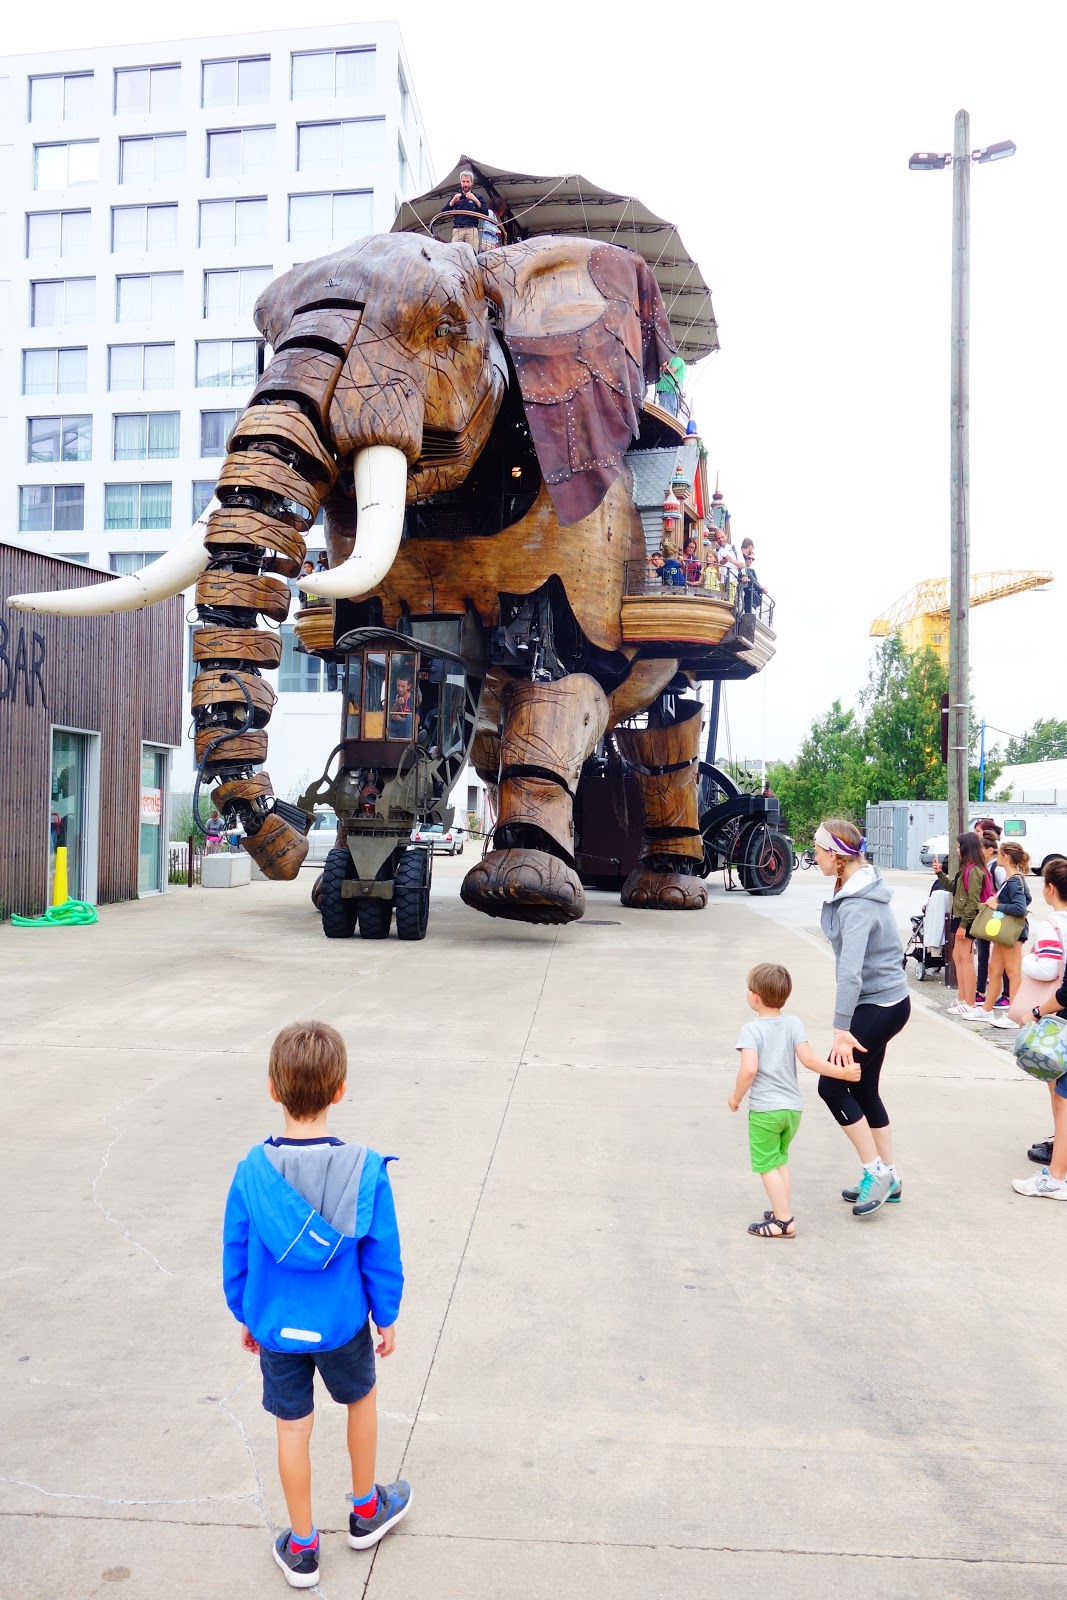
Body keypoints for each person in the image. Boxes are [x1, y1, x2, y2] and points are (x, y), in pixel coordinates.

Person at [222, 1021, 411, 1587]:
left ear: (273, 1090)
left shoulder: (251, 1173)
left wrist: (247, 1315)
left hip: (279, 1327)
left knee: (291, 1430)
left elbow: (237, 1254)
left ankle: (302, 1546)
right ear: (340, 1089)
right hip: (344, 1323)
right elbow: (381, 1254)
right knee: (361, 1402)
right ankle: (365, 1509)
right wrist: (387, 1314)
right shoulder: (364, 1169)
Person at [813, 819, 911, 1216]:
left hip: (880, 1005)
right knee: (865, 1089)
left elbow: (851, 972)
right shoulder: (855, 884)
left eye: (818, 849)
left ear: (837, 857)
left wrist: (840, 1030)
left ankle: (877, 1173)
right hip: (885, 1001)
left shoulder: (857, 904)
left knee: (831, 1087)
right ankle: (891, 1175)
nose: (813, 855)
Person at [729, 962, 861, 1238]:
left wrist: (735, 1096)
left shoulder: (751, 1031)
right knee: (780, 1161)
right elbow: (811, 1061)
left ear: (754, 996)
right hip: (792, 1110)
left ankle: (783, 1222)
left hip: (766, 1111)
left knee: (766, 1165)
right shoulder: (793, 1023)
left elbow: (749, 1070)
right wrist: (844, 1073)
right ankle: (781, 1210)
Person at [1017, 857, 1067, 1171]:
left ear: (1049, 889)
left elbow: (1048, 967)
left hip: (1056, 1014)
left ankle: (1058, 1150)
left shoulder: (1053, 923)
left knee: (1058, 1091)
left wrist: (1024, 962)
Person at [932, 832, 993, 1017]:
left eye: (959, 847)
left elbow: (973, 901)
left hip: (966, 919)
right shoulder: (967, 868)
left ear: (966, 848)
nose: (957, 850)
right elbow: (954, 887)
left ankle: (970, 1002)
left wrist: (963, 925)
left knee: (965, 959)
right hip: (961, 917)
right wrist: (939, 873)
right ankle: (963, 998)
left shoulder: (974, 870)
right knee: (957, 956)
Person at [976, 841, 1031, 1029]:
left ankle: (1014, 1015)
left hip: (1012, 933)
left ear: (1005, 857)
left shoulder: (1014, 881)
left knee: (1013, 972)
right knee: (995, 970)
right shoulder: (1015, 879)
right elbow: (1027, 899)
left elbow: (1020, 907)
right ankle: (986, 1009)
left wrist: (996, 906)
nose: (997, 856)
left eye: (999, 854)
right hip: (1005, 933)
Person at [975, 828, 1008, 1006]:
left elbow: (1005, 890)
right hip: (988, 915)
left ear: (989, 850)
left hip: (996, 916)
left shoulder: (996, 868)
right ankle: (980, 991)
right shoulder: (986, 867)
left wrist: (995, 903)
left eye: (981, 849)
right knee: (983, 954)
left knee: (1000, 956)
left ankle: (1006, 994)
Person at [445, 169, 488, 250]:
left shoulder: (478, 197)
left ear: (472, 183)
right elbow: (444, 212)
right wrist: (452, 201)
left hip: (472, 230)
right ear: (460, 182)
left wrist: (476, 200)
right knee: (454, 253)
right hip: (458, 229)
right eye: (463, 181)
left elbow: (486, 213)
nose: (465, 184)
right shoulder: (455, 197)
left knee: (473, 255)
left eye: (467, 182)